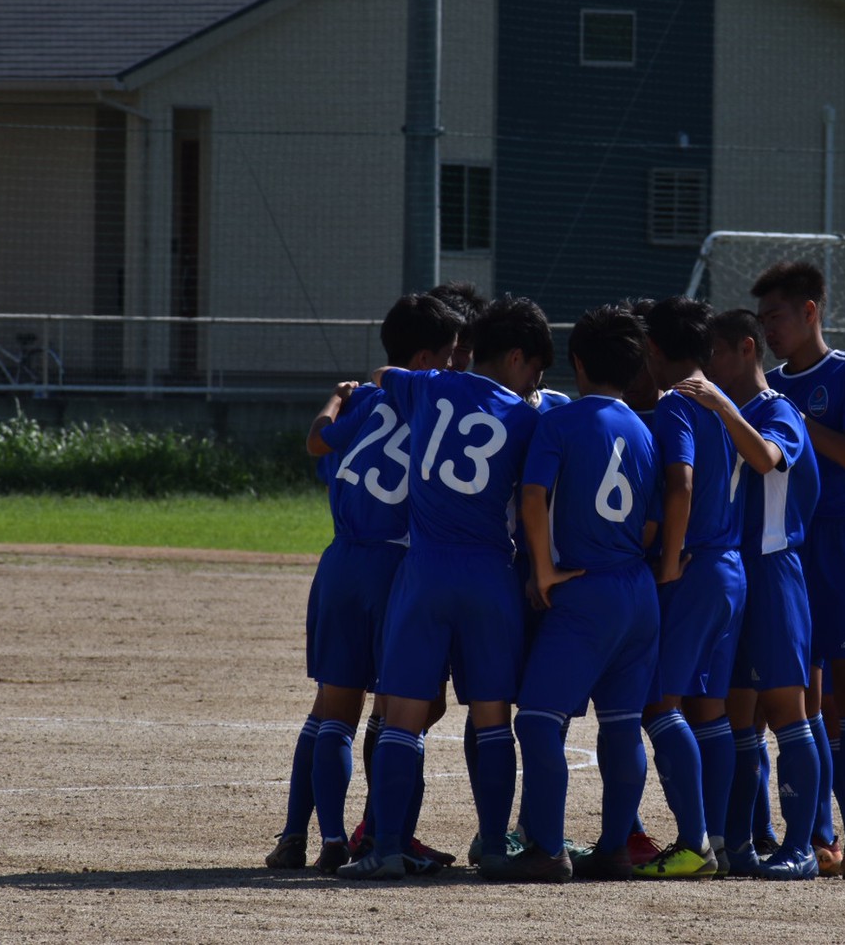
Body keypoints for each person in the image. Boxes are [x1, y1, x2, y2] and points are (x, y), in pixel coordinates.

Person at [338, 295, 551, 881]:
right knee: (491, 719)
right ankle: (495, 849)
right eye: (535, 367)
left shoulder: (430, 386)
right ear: (515, 358)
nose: (538, 380)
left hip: (425, 572)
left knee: (401, 717)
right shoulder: (529, 419)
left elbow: (385, 376)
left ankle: (384, 849)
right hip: (490, 575)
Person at [266, 293, 461, 874]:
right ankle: (383, 833)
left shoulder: (368, 401)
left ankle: (320, 837)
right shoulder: (437, 406)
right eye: (450, 356)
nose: (455, 368)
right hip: (397, 568)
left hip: (340, 564)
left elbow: (317, 442)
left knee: (332, 708)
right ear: (424, 357)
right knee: (409, 708)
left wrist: (336, 395)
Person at [505, 305, 662, 882]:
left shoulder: (562, 422)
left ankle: (547, 848)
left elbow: (532, 497)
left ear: (575, 362)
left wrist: (542, 570)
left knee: (540, 721)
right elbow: (652, 521)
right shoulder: (645, 430)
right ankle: (617, 845)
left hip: (584, 590)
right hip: (637, 592)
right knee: (621, 723)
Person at [753, 260, 845, 881]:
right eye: (761, 322)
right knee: (798, 691)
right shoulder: (769, 386)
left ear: (810, 311)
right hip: (791, 546)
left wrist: (786, 414)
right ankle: (816, 836)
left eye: (777, 317)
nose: (769, 331)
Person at [674, 308, 822, 880]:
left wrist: (719, 403)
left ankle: (803, 846)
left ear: (744, 349)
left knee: (789, 710)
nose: (706, 368)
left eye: (713, 354)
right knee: (737, 714)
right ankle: (738, 839)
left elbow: (766, 458)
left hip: (775, 571)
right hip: (734, 572)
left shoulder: (778, 409)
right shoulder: (716, 413)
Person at [632, 296, 746, 879]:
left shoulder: (677, 401)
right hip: (729, 567)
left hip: (694, 567)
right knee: (709, 709)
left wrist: (669, 560)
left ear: (653, 349)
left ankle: (693, 843)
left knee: (659, 703)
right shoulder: (720, 400)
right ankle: (722, 839)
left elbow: (679, 483)